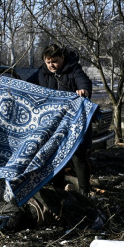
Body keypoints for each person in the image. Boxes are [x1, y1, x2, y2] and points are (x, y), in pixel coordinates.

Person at [26, 44, 93, 196]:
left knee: (78, 156)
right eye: (48, 62)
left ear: (62, 58)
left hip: (75, 122)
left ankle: (84, 193)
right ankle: (58, 191)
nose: (51, 65)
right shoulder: (41, 73)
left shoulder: (74, 69)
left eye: (54, 61)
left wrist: (84, 90)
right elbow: (26, 86)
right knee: (56, 156)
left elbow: (84, 82)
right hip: (54, 124)